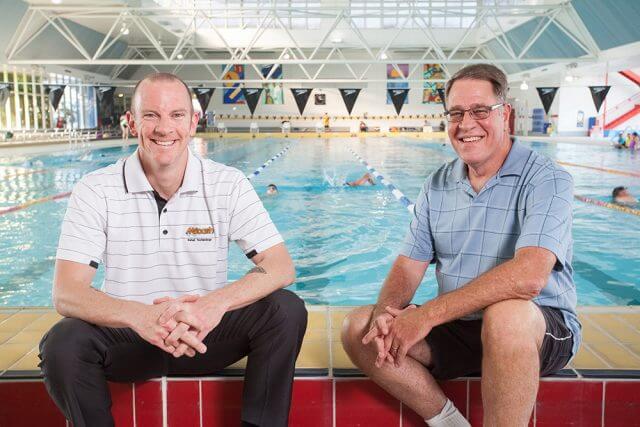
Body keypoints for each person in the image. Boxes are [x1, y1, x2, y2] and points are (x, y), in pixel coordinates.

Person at [38, 73, 307, 427]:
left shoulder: (227, 184)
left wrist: (214, 305)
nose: (165, 128)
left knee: (286, 310)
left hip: (205, 335)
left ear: (194, 121)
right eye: (151, 115)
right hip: (130, 338)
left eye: (177, 115)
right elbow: (67, 293)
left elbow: (280, 266)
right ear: (132, 122)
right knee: (62, 344)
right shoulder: (96, 189)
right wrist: (141, 316)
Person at [341, 64, 580, 427]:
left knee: (506, 316)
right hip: (459, 326)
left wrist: (425, 316)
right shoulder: (437, 185)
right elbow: (408, 267)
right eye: (455, 113)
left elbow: (530, 277)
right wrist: (386, 318)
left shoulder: (546, 178)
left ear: (506, 115)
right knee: (359, 326)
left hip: (535, 327)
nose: (466, 124)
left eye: (480, 111)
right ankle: (449, 422)